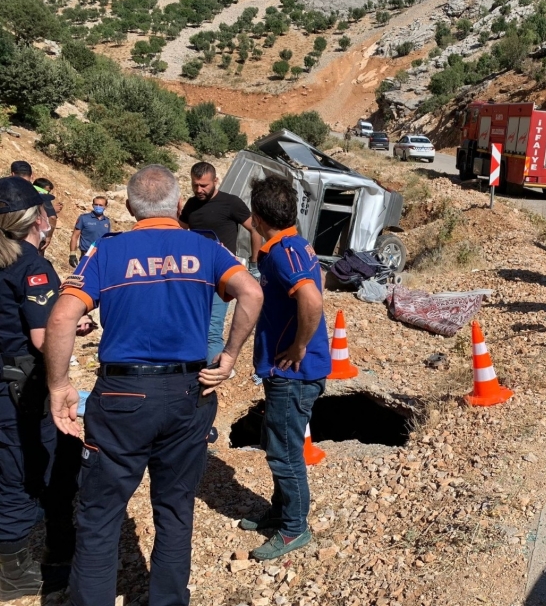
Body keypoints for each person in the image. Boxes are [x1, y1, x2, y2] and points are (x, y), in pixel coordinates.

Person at [44, 164, 263, 606]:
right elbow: (252, 293)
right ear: (179, 205)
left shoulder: (108, 250)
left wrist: (59, 385)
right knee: (175, 510)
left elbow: (63, 316)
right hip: (189, 391)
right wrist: (230, 356)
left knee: (101, 515)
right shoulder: (206, 247)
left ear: (128, 208)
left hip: (123, 397)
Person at [0, 176, 93, 599]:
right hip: (25, 388)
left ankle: (58, 542)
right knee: (21, 472)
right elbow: (42, 339)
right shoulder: (31, 266)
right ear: (37, 218)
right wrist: (70, 324)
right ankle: (15, 575)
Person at [238, 174, 331, 561]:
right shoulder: (295, 244)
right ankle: (279, 513)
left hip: (293, 373)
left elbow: (311, 298)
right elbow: (318, 279)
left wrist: (299, 345)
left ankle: (294, 528)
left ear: (258, 217)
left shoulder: (281, 253)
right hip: (289, 371)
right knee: (280, 442)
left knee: (285, 452)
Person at [180, 161, 262, 364]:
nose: (199, 190)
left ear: (216, 181)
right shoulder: (191, 205)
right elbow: (179, 232)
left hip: (221, 275)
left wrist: (254, 263)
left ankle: (213, 375)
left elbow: (255, 229)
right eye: (195, 185)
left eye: (204, 185)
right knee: (193, 324)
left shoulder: (230, 203)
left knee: (212, 330)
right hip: (195, 275)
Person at [11, 162, 56, 254]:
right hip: (31, 241)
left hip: (9, 239)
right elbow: (52, 217)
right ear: (32, 176)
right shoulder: (40, 194)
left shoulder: (6, 189)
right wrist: (49, 236)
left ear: (12, 174)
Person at [69, 196, 111, 269]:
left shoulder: (107, 221)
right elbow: (75, 236)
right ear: (93, 205)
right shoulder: (84, 218)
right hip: (86, 256)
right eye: (96, 204)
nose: (98, 207)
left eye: (100, 205)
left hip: (101, 257)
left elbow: (107, 239)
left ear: (105, 207)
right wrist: (72, 254)